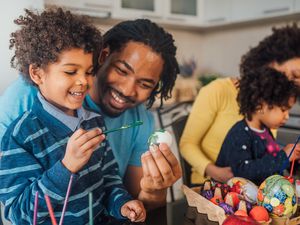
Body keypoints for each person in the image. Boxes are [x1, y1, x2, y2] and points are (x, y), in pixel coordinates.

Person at [0, 19, 181, 209]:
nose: (128, 90)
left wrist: (154, 191)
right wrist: (66, 167)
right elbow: (13, 202)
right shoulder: (31, 94)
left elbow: (130, 202)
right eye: (121, 70)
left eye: (144, 84)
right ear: (103, 56)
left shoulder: (138, 120)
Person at [180, 24, 300, 185]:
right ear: (269, 62)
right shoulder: (218, 90)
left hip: (251, 188)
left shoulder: (270, 109)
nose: (292, 84)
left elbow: (262, 159)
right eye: (293, 75)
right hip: (211, 187)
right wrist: (215, 171)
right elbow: (187, 144)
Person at [216, 67, 300, 185]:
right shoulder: (239, 133)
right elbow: (243, 172)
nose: (287, 116)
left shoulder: (265, 131)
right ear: (259, 107)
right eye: (283, 110)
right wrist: (283, 157)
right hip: (234, 200)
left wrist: (293, 160)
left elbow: (270, 165)